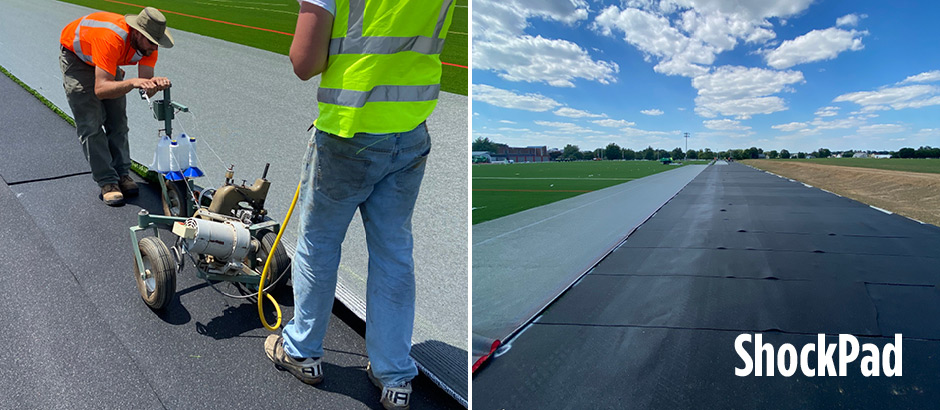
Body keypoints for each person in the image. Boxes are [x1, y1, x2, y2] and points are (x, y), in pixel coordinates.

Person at [263, 0, 455, 409]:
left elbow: (303, 61)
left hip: (348, 133)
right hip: (410, 130)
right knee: (394, 253)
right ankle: (394, 376)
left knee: (318, 244)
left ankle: (303, 351)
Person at [59, 7, 173, 206]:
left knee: (118, 121)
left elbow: (144, 88)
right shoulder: (111, 38)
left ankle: (122, 174)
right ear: (137, 33)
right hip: (79, 59)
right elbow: (101, 90)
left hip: (105, 59)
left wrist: (155, 84)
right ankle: (107, 181)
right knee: (91, 123)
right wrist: (131, 83)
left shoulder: (149, 46)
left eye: (157, 44)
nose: (154, 48)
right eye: (150, 42)